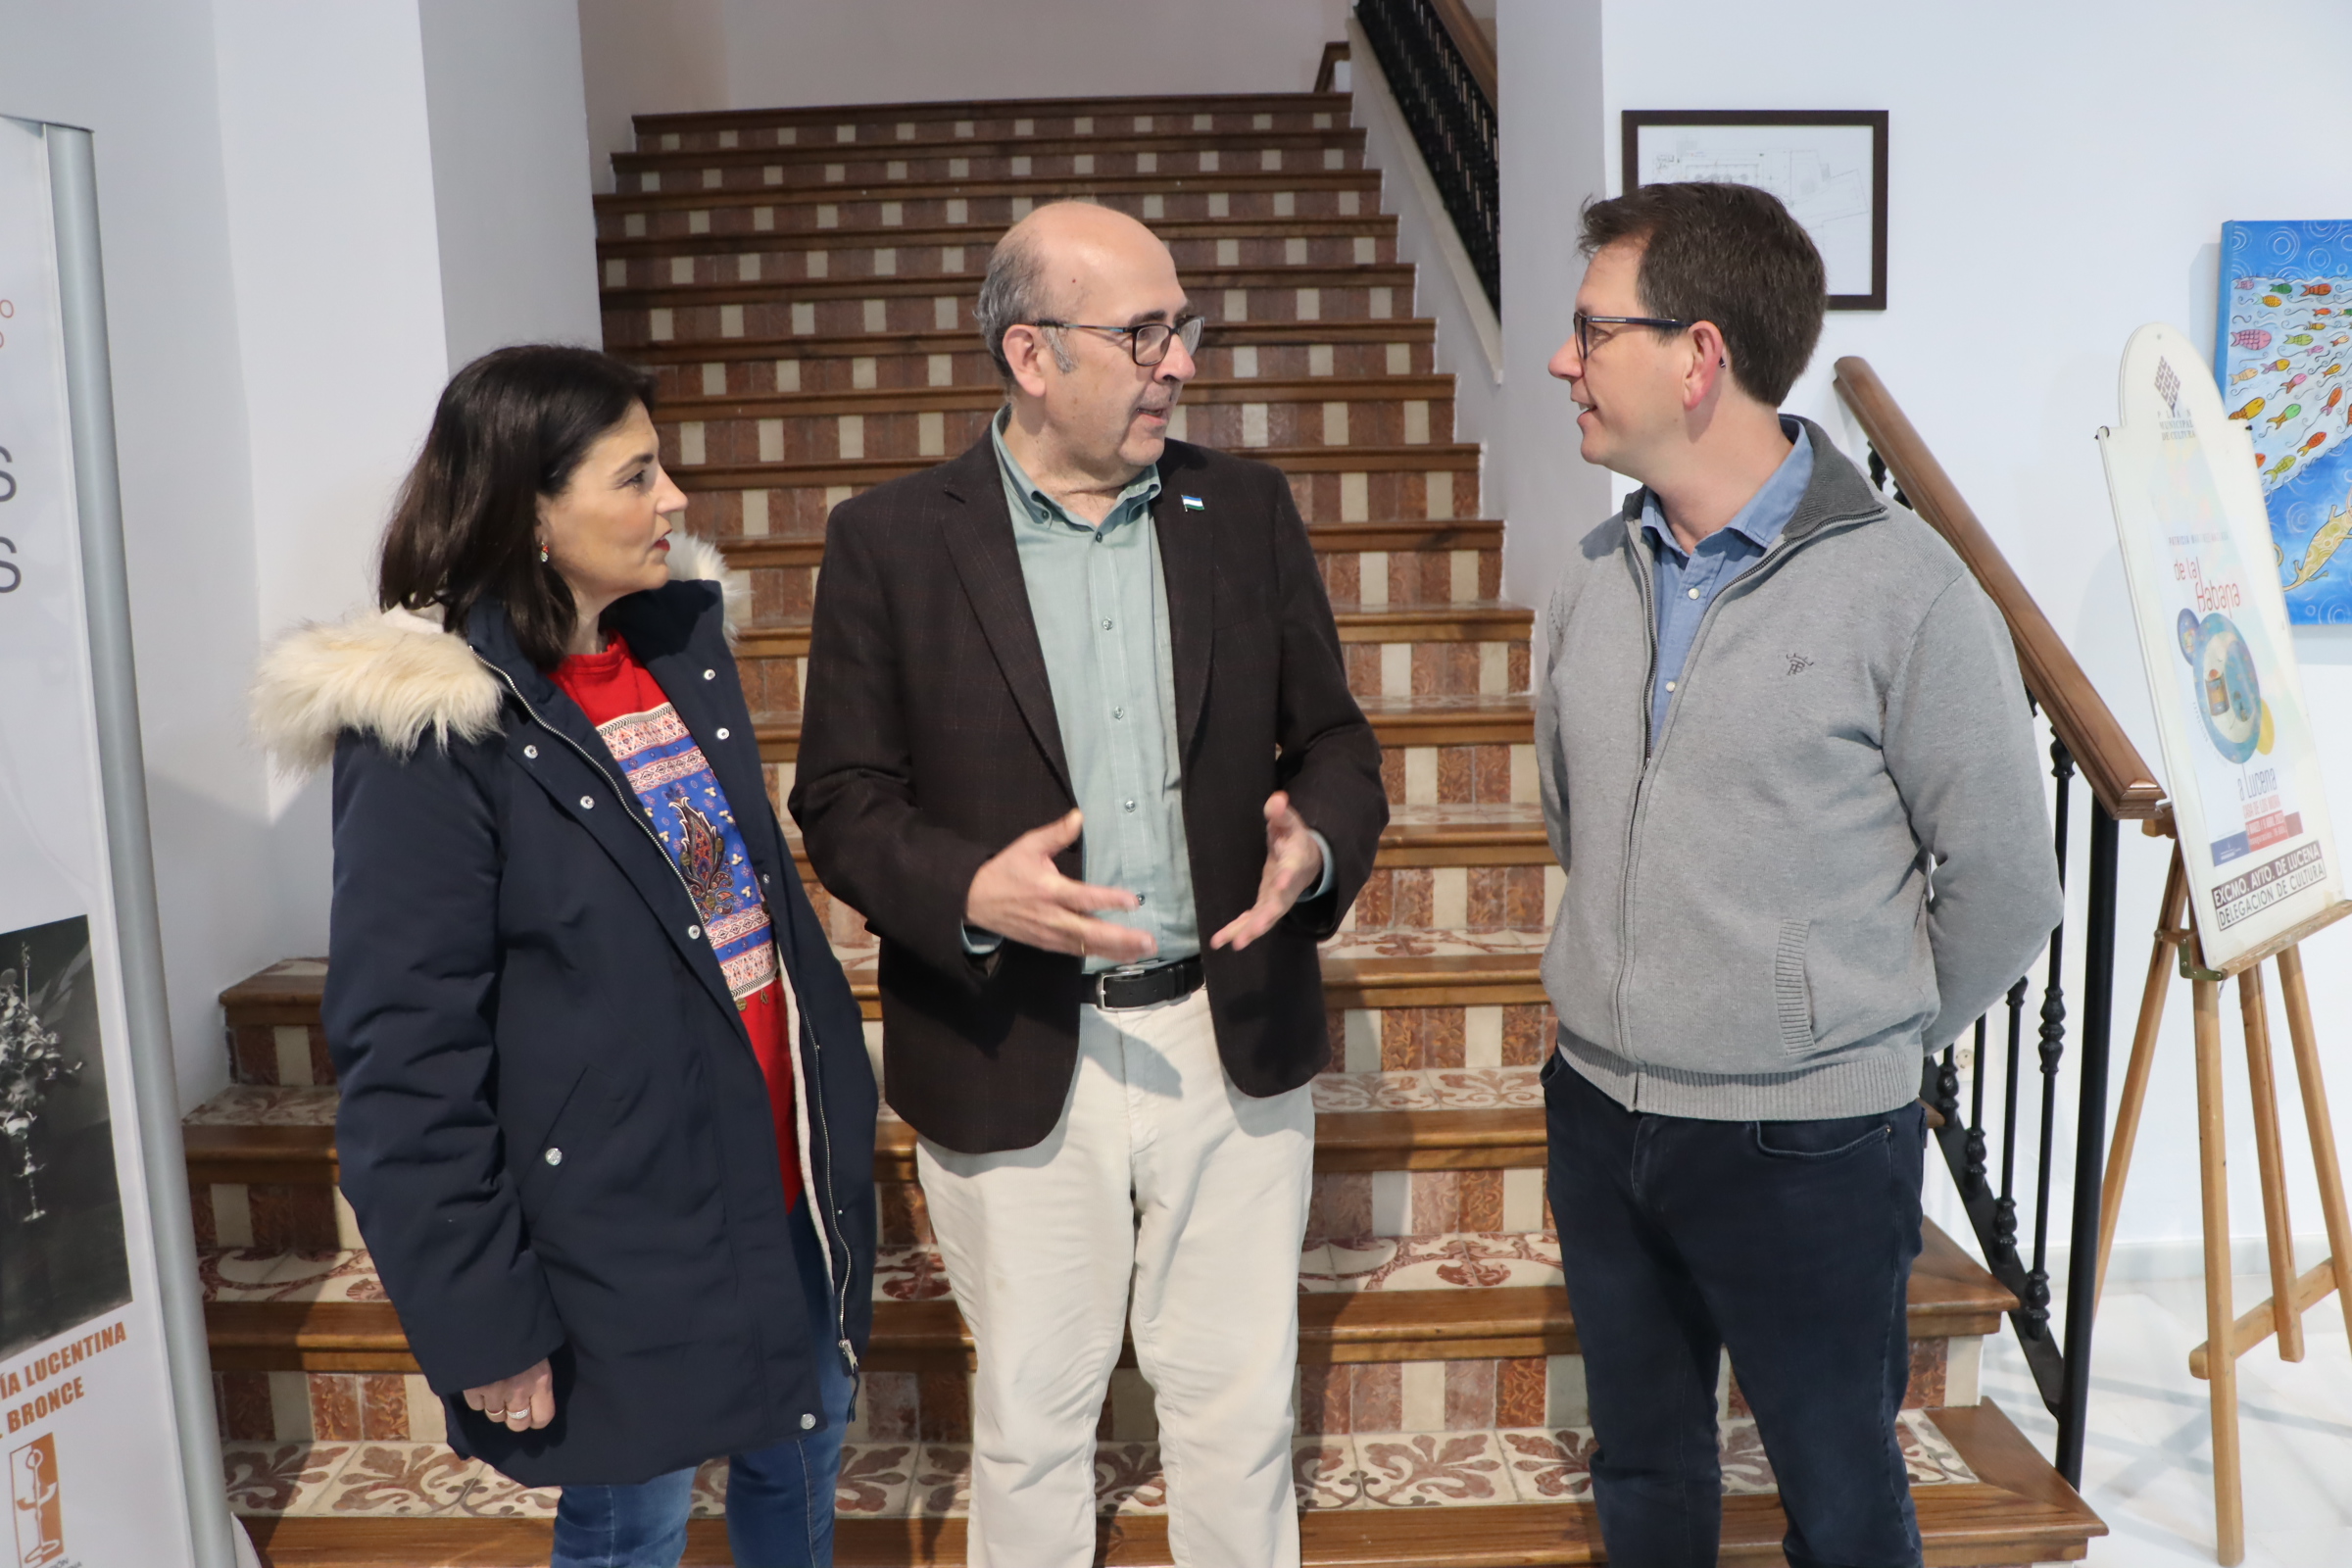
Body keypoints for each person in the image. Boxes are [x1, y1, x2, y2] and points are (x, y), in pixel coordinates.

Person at [790, 201, 1387, 1568]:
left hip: (1224, 1028)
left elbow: (1337, 739)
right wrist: (965, 892)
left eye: (1182, 327)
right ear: (1032, 355)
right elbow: (839, 801)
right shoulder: (887, 540)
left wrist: (1318, 845)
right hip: (1009, 1031)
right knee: (1034, 1417)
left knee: (1236, 1412)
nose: (1179, 361)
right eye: (1143, 334)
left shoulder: (1244, 509)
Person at [253, 345, 876, 1568]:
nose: (676, 501)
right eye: (635, 476)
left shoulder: (676, 652)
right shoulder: (436, 727)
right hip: (612, 1229)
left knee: (802, 1461)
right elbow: (404, 1059)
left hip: (772, 1182)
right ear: (531, 510)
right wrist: (483, 1318)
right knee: (631, 1518)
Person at [1534, 182, 2062, 1567]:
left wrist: (1848, 1033)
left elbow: (2007, 885)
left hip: (1807, 1145)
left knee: (1839, 1490)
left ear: (1697, 357)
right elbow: (1579, 824)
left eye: (1591, 331)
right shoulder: (1590, 578)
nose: (1561, 360)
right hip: (1597, 1111)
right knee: (1643, 1473)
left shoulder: (1909, 592)